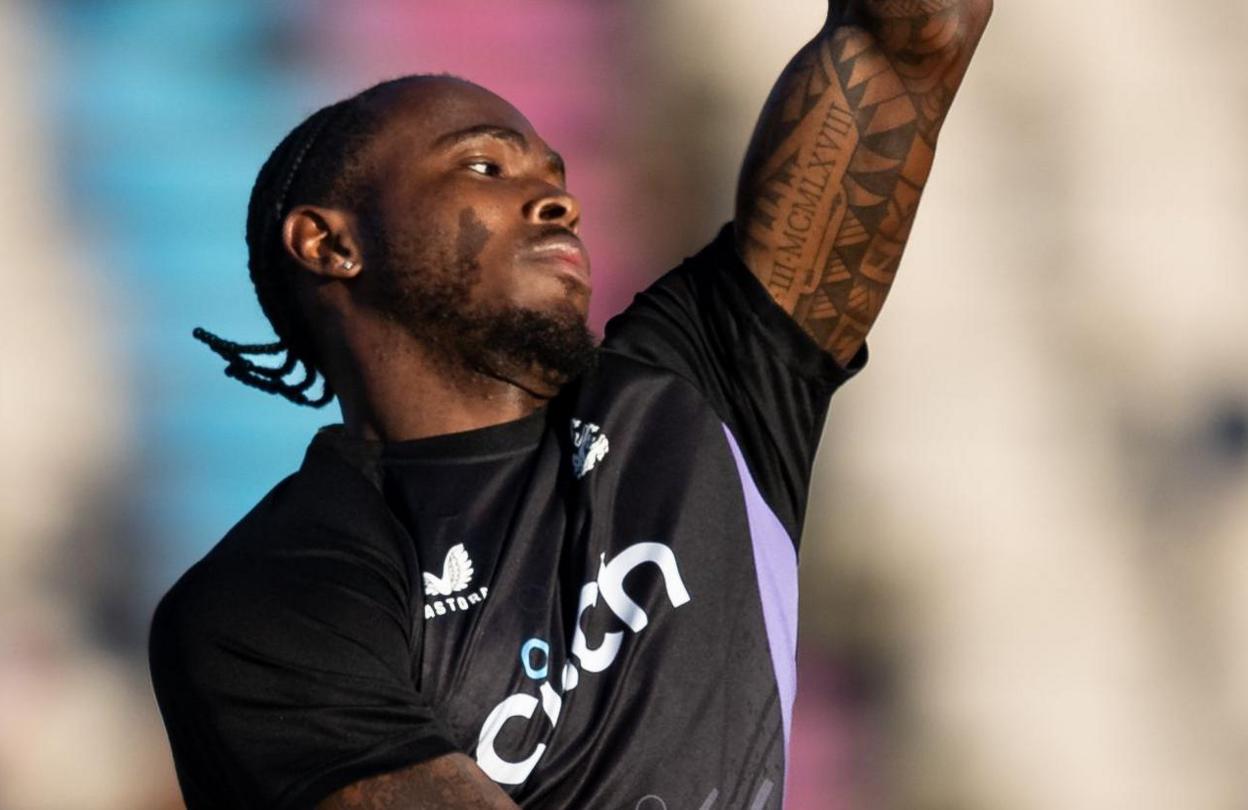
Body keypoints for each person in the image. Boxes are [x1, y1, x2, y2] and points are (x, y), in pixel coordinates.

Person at [148, 1, 991, 807]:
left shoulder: (695, 395)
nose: (560, 199)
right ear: (330, 243)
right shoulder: (268, 600)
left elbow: (912, 38)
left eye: (555, 174)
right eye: (485, 165)